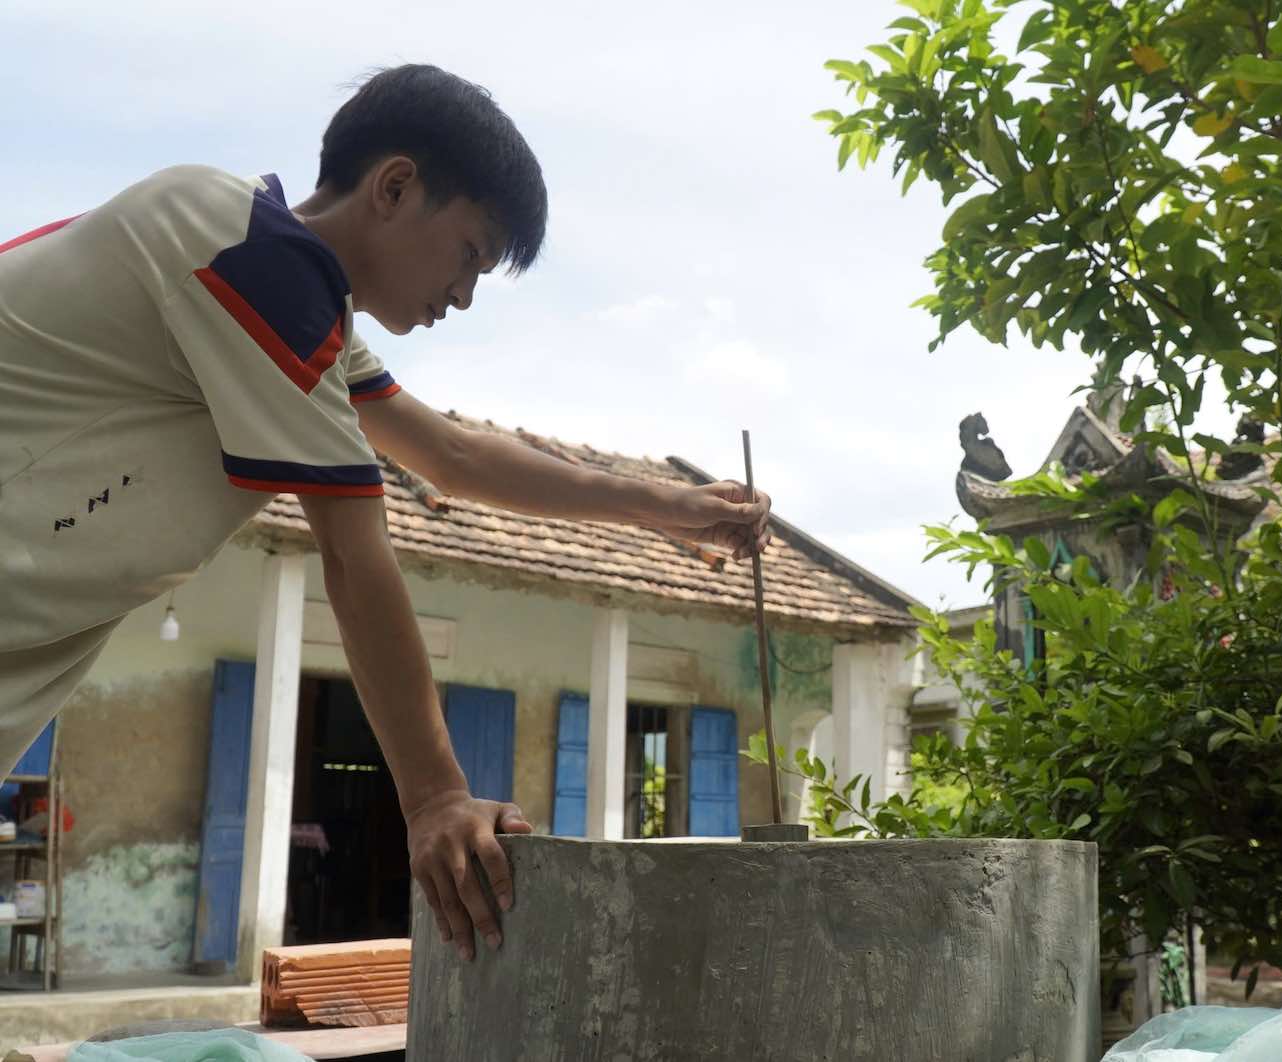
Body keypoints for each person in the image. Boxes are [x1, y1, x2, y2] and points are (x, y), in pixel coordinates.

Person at [0, 65, 771, 966]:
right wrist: (436, 798)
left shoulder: (297, 307)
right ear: (395, 186)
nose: (466, 294)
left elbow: (447, 455)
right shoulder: (237, 248)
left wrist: (665, 508)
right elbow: (354, 551)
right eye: (472, 255)